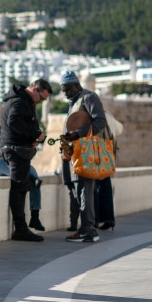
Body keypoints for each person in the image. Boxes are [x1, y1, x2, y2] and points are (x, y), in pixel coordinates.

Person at [0, 79, 52, 242]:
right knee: (19, 188)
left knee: (22, 186)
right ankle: (20, 229)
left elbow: (23, 123)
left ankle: (22, 228)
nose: (41, 102)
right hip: (16, 151)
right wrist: (33, 134)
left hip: (18, 150)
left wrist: (37, 137)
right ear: (35, 89)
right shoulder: (20, 101)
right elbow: (13, 122)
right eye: (41, 98)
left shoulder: (22, 99)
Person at [60, 70, 107, 243]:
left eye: (67, 89)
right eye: (63, 90)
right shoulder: (74, 101)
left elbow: (100, 121)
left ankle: (89, 231)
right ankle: (84, 229)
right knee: (78, 191)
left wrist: (77, 134)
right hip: (73, 153)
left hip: (85, 152)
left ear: (76, 85)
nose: (64, 93)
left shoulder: (89, 98)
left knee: (84, 191)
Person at [0, 124, 44, 231]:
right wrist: (6, 143)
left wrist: (31, 147)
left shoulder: (22, 129)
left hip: (17, 164)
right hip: (1, 164)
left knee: (35, 177)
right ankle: (25, 175)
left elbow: (30, 155)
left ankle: (35, 217)